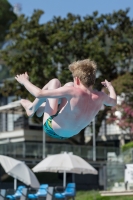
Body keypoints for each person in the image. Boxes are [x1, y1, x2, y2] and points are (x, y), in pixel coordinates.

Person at [15, 59, 117, 139]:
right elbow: (113, 101)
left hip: (51, 129)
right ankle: (42, 108)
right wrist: (110, 87)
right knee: (68, 84)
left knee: (54, 82)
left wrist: (25, 82)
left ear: (77, 79)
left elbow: (39, 93)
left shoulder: (72, 92)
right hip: (70, 134)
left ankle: (32, 108)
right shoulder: (100, 96)